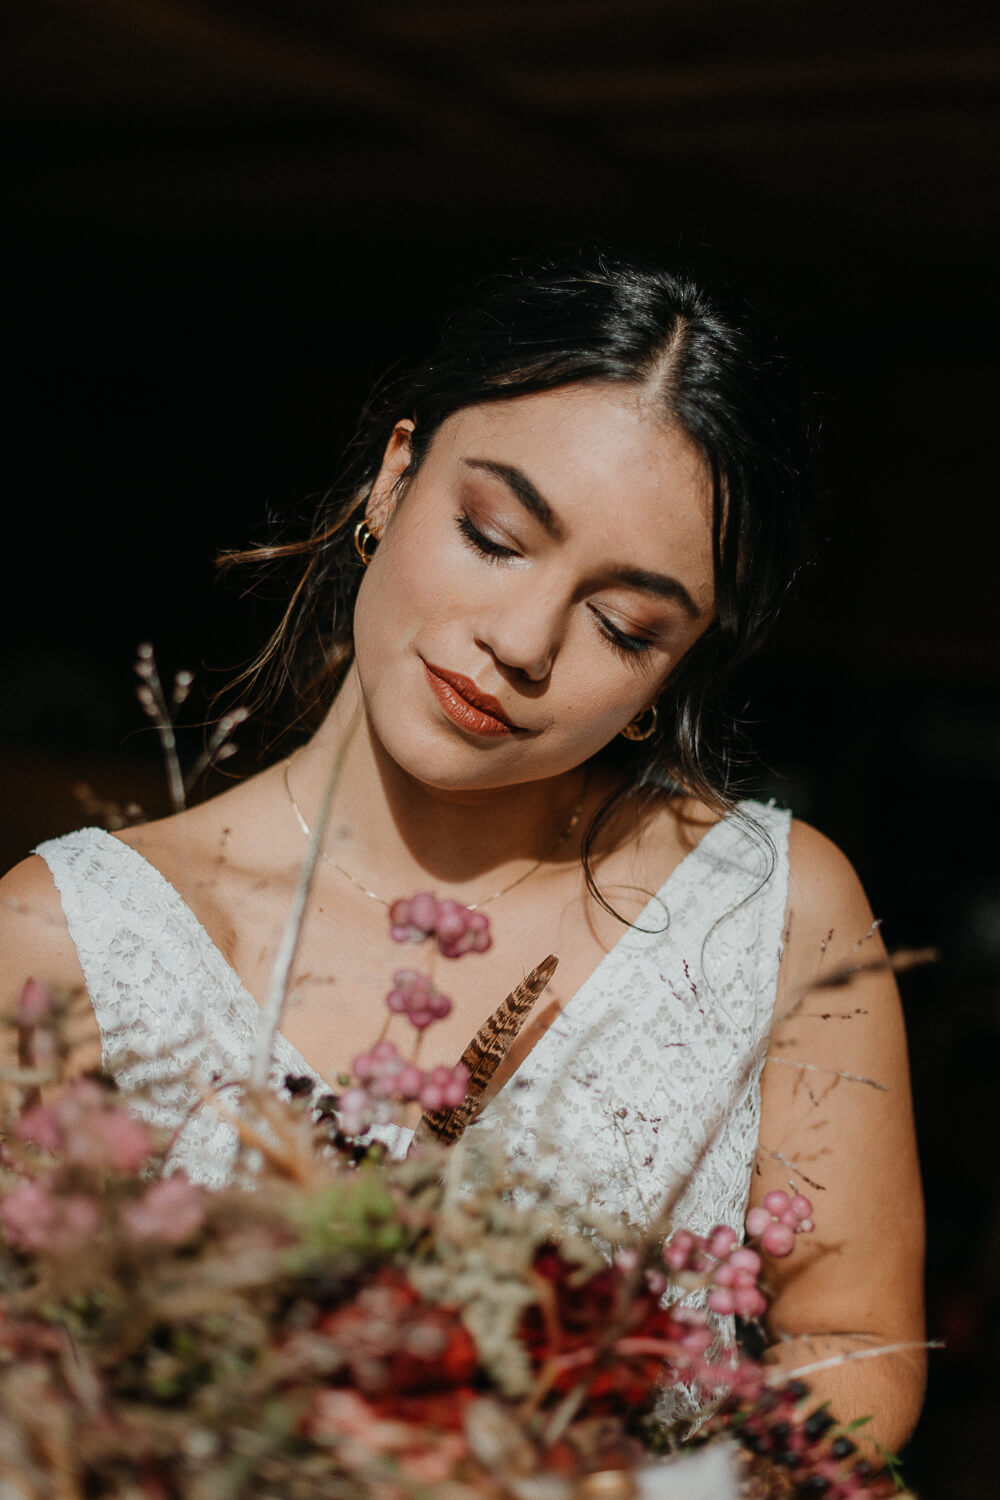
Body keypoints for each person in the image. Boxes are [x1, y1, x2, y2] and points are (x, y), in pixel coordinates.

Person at [0, 254, 924, 1447]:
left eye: (623, 626)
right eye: (493, 536)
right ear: (392, 479)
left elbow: (853, 1341)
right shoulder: (65, 941)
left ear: (676, 668)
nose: (523, 641)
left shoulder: (773, 911)